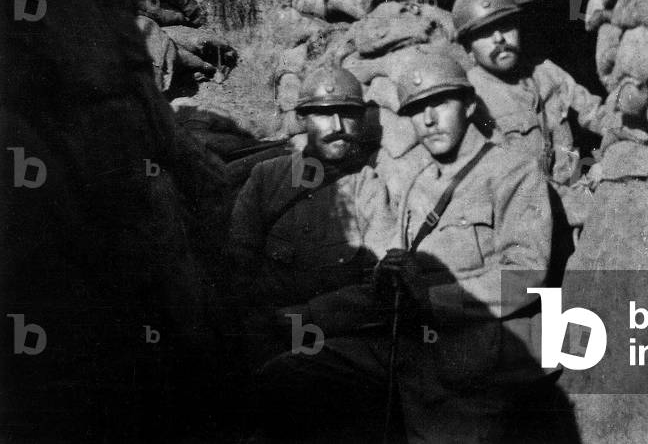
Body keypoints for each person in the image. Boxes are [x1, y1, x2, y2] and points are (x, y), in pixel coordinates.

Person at [255, 52, 554, 443]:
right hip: (406, 348)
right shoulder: (419, 182)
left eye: (439, 103)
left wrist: (434, 300)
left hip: (473, 360)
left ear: (468, 104)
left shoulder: (512, 173)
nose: (427, 120)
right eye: (415, 110)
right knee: (286, 373)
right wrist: (305, 316)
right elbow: (390, 285)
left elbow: (526, 276)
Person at [227, 66, 392, 364]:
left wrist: (309, 317)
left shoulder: (369, 187)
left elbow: (381, 286)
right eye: (324, 114)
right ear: (302, 119)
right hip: (265, 334)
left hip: (334, 339)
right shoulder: (268, 177)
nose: (338, 125)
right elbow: (238, 264)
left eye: (348, 114)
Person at [451, 0, 623, 226]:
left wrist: (618, 147)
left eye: (505, 25)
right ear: (468, 48)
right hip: (525, 222)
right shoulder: (472, 101)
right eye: (485, 32)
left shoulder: (545, 72)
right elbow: (518, 179)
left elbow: (594, 112)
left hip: (572, 207)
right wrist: (590, 208)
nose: (499, 38)